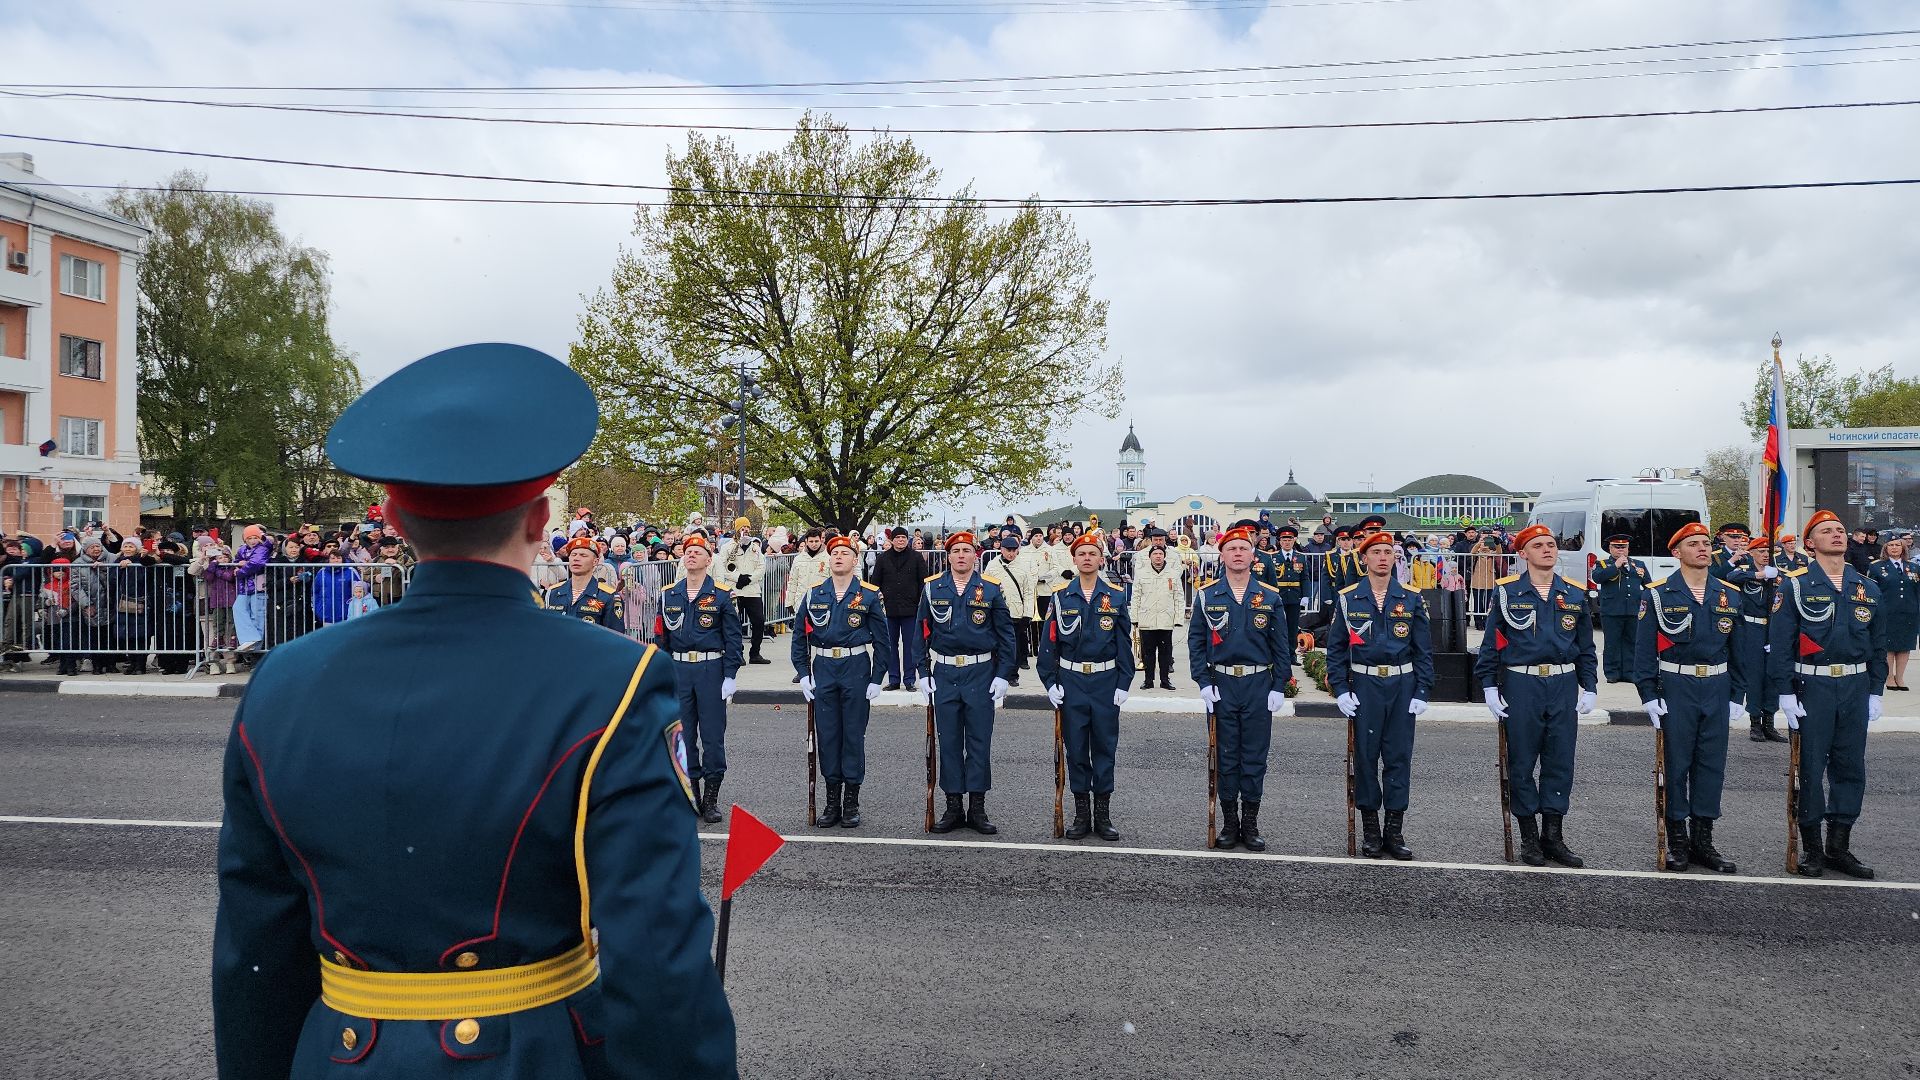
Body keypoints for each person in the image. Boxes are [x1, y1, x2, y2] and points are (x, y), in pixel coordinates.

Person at [212, 342, 735, 1079]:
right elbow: (654, 961)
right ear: (540, 518)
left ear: (394, 518)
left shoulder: (284, 681)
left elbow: (254, 957)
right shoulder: (613, 681)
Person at [1768, 509, 1885, 879]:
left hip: (1854, 685)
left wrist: (1875, 691)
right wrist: (1784, 693)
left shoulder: (1867, 587)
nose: (1836, 535)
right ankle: (1813, 849)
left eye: (1839, 530)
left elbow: (1878, 645)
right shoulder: (1795, 586)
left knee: (1850, 767)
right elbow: (1781, 644)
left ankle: (1839, 847)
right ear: (1810, 543)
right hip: (1811, 687)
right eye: (1826, 531)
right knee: (1810, 766)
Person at [1476, 523, 1598, 868]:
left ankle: (1554, 836)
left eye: (1551, 545)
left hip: (1561, 683)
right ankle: (1529, 836)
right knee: (1522, 761)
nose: (1548, 550)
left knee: (1560, 761)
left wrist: (1589, 685)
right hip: (1522, 684)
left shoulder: (1574, 594)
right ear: (1523, 553)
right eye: (1539, 545)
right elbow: (1492, 645)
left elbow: (1585, 647)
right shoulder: (1506, 592)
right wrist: (1488, 685)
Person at [1632, 522, 1743, 873]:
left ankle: (1704, 841)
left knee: (1711, 765)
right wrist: (1648, 693)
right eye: (1693, 544)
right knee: (1677, 765)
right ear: (1676, 552)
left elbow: (1740, 650)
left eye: (1706, 543)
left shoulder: (1729, 594)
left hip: (1717, 686)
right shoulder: (1658, 593)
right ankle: (1678, 840)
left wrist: (1738, 694)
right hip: (1676, 687)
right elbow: (1644, 651)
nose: (1702, 549)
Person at [1327, 530, 1434, 859]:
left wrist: (1422, 689)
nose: (1384, 557)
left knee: (1399, 759)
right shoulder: (1348, 599)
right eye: (1376, 552)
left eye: (1389, 552)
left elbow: (1423, 650)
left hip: (1402, 686)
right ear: (1364, 559)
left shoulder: (1412, 598)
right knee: (1366, 758)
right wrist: (1341, 689)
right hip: (1365, 686)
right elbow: (1336, 650)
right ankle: (1371, 829)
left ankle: (1394, 831)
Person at [1188, 524, 1294, 852]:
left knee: (1254, 755)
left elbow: (1282, 646)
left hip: (1258, 684)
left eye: (1243, 549)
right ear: (1221, 555)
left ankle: (1250, 822)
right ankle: (1230, 822)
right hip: (1221, 684)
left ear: (1253, 555)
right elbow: (1196, 642)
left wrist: (1279, 685)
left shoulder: (1270, 597)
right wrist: (1203, 681)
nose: (1237, 553)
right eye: (1231, 549)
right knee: (1225, 754)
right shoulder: (1207, 595)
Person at [917, 531, 1016, 835]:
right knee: (948, 742)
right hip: (945, 673)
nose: (961, 555)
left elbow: (1006, 635)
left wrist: (1003, 675)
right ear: (947, 556)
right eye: (955, 550)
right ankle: (953, 807)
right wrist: (922, 672)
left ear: (976, 555)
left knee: (978, 742)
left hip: (980, 673)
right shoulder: (933, 589)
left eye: (966, 550)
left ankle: (977, 808)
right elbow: (920, 631)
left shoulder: (990, 590)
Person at [1038, 533, 1135, 840]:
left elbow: (1124, 643)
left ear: (1101, 559)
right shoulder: (1060, 596)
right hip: (1072, 682)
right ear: (1075, 559)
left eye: (1093, 553)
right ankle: (1081, 815)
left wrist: (1124, 681)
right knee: (1077, 749)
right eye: (1082, 554)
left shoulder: (1116, 596)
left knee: (1105, 747)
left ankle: (1103, 816)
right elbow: (1049, 644)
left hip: (1106, 682)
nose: (1087, 558)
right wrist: (1050, 681)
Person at [794, 535, 885, 828]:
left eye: (845, 553)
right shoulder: (814, 594)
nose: (838, 557)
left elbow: (883, 642)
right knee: (829, 736)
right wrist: (804, 673)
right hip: (823, 668)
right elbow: (799, 638)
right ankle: (832, 801)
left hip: (855, 666)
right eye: (834, 553)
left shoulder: (869, 595)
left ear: (855, 560)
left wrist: (877, 678)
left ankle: (851, 802)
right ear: (828, 560)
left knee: (853, 736)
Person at [654, 532, 743, 824]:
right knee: (683, 736)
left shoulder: (721, 593)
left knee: (713, 737)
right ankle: (691, 794)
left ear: (708, 559)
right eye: (687, 551)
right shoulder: (670, 594)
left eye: (698, 551)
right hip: (679, 671)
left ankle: (711, 799)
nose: (691, 554)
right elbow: (660, 639)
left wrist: (730, 675)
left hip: (710, 670)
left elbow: (733, 639)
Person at [1725, 537, 1790, 743]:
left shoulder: (1780, 576)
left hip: (1772, 628)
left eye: (1767, 551)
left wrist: (1775, 576)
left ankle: (1769, 722)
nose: (1765, 555)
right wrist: (1760, 575)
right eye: (1760, 551)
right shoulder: (1744, 572)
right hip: (1751, 629)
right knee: (1754, 674)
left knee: (1772, 675)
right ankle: (1755, 723)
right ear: (1751, 553)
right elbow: (1730, 576)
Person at [870, 528, 927, 691]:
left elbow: (923, 582)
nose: (901, 540)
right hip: (889, 610)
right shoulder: (883, 559)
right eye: (897, 537)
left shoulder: (916, 557)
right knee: (890, 646)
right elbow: (875, 583)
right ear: (892, 540)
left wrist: (920, 603)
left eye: (903, 537)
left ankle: (909, 680)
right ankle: (894, 679)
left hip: (911, 609)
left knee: (910, 646)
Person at [1590, 533, 1650, 683]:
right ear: (1610, 548)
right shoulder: (1602, 564)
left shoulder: (1639, 564)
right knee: (1612, 643)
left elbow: (1648, 585)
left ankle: (1629, 672)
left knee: (1632, 642)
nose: (1620, 550)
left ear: (1628, 548)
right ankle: (1612, 673)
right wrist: (1616, 566)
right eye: (1617, 547)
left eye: (1623, 547)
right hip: (1611, 610)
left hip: (1633, 610)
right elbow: (1597, 578)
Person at [1867, 534, 1919, 691]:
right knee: (1888, 646)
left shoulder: (1914, 567)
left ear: (1903, 548)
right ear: (1885, 548)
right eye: (1891, 545)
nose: (1894, 548)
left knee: (1905, 646)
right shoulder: (1876, 567)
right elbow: (1872, 590)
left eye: (1897, 545)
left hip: (1909, 612)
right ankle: (1889, 677)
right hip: (1887, 612)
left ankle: (1900, 677)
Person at [1129, 543, 1183, 690]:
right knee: (1148, 653)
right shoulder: (1141, 573)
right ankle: (1148, 680)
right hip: (1147, 619)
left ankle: (1165, 680)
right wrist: (1134, 618)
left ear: (1164, 556)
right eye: (1155, 554)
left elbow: (1179, 597)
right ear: (1150, 557)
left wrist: (1178, 618)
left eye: (1160, 554)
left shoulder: (1172, 574)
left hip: (1166, 619)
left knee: (1165, 653)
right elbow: (1136, 597)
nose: (1158, 556)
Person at [546, 536, 626, 632]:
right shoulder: (554, 592)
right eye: (573, 554)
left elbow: (615, 637)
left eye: (583, 555)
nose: (576, 558)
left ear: (595, 561)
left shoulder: (608, 596)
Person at [985, 533, 1036, 686]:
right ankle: (995, 672)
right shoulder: (992, 566)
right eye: (1008, 550)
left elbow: (1028, 591)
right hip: (997, 612)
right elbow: (986, 588)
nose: (1011, 553)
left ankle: (1013, 674)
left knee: (1013, 647)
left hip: (1017, 613)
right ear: (1002, 549)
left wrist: (1028, 613)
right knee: (996, 645)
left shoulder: (1023, 566)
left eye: (1014, 550)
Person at [782, 528, 831, 682]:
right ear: (806, 542)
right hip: (802, 604)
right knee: (802, 640)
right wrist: (789, 601)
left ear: (821, 540)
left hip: (822, 606)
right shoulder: (799, 559)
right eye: (811, 541)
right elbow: (793, 581)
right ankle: (803, 670)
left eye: (817, 541)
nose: (814, 544)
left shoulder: (828, 558)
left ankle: (823, 669)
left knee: (824, 638)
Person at [720, 522, 770, 665]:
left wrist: (749, 578)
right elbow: (722, 566)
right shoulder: (727, 547)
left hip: (752, 590)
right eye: (743, 528)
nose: (746, 530)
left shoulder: (755, 547)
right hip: (734, 589)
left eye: (748, 527)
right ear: (737, 530)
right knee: (735, 623)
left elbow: (761, 566)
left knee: (759, 621)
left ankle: (755, 653)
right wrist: (737, 578)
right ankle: (738, 653)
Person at [1270, 524, 1309, 658]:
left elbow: (1305, 578)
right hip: (1278, 596)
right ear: (1280, 541)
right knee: (1278, 626)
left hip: (1294, 595)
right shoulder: (1273, 557)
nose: (1287, 542)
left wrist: (1306, 595)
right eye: (1284, 540)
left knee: (1293, 626)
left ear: (1294, 540)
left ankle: (1291, 654)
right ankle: (1278, 654)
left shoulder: (1301, 557)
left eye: (1289, 539)